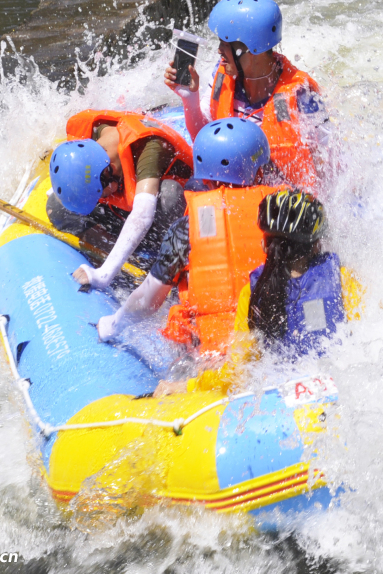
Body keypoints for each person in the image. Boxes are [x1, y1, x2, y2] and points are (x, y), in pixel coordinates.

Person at [151, 188, 364, 398]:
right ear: (317, 245)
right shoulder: (343, 279)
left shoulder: (253, 294)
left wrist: (189, 386)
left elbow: (238, 374)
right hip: (336, 393)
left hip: (277, 401)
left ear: (264, 244)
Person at [95, 117, 278, 357]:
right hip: (281, 344)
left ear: (203, 178)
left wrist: (112, 325)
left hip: (216, 358)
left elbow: (147, 302)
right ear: (261, 171)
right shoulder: (289, 215)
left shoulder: (187, 229)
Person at [163, 0, 331, 191]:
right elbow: (205, 144)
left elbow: (328, 164)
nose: (219, 50)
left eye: (226, 44)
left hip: (280, 200)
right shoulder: (223, 75)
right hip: (232, 190)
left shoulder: (301, 95)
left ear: (253, 48)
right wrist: (190, 100)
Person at [47, 110, 193, 290]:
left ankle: (168, 268)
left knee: (169, 195)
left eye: (101, 194)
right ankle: (119, 255)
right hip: (128, 211)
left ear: (110, 171)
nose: (102, 199)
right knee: (57, 207)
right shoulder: (92, 139)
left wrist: (104, 274)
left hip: (168, 218)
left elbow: (143, 215)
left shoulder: (150, 147)